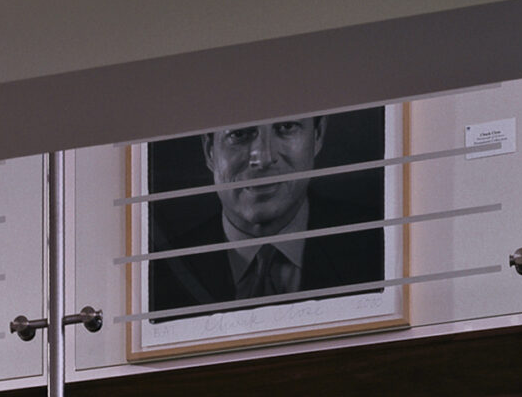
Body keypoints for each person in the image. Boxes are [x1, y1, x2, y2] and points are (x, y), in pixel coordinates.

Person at [148, 116, 385, 315]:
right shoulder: (158, 278)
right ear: (209, 149)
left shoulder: (378, 248)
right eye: (240, 134)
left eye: (286, 127)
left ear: (317, 135)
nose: (262, 158)